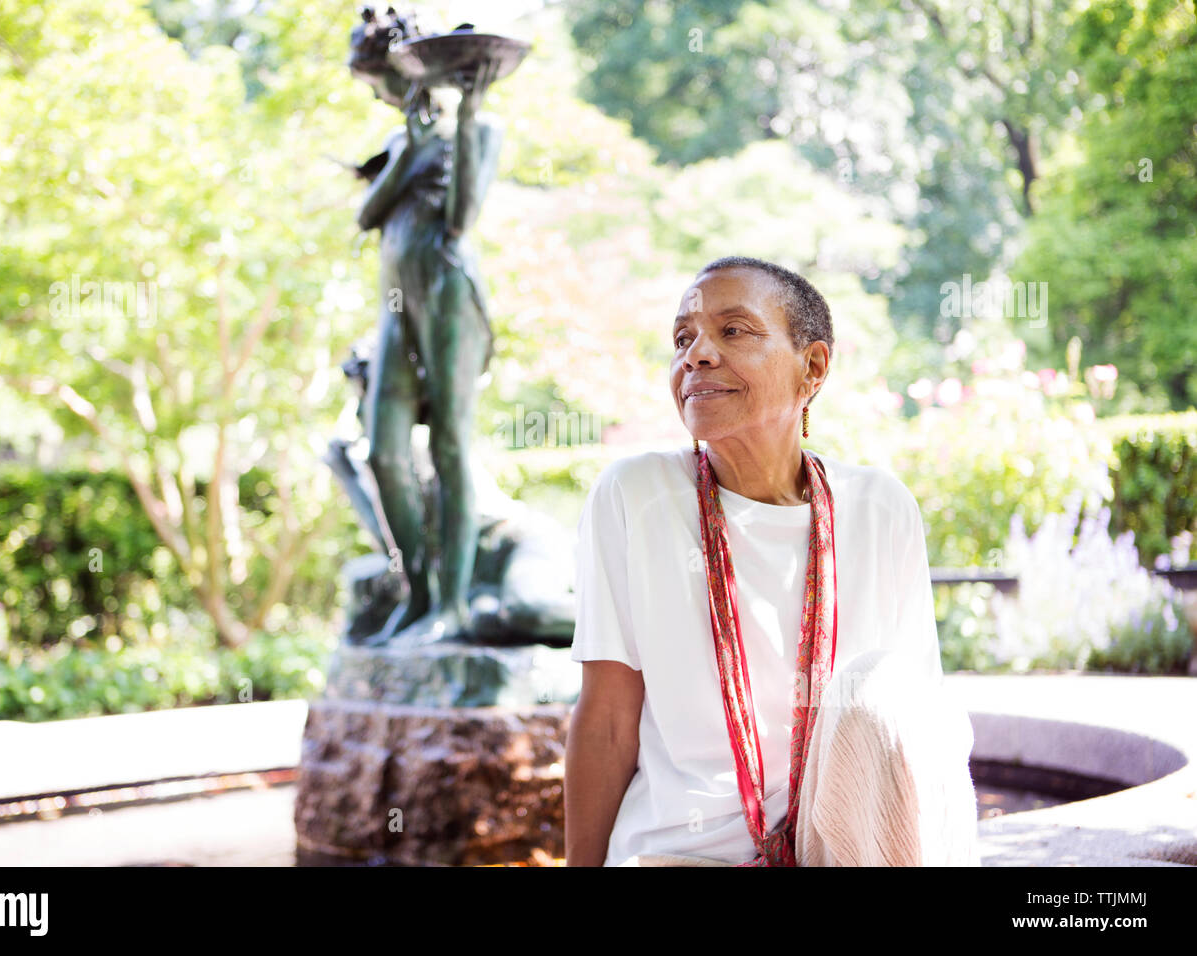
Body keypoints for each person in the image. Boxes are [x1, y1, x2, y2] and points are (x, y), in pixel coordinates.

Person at [564, 256, 979, 867]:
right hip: (682, 854)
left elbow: (909, 734)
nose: (696, 354)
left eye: (733, 330)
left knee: (878, 693)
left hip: (839, 844)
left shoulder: (880, 509)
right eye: (683, 338)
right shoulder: (636, 495)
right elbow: (606, 722)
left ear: (812, 367)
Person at [346, 7, 504, 647]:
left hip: (448, 293)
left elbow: (462, 216)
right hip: (396, 303)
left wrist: (464, 115)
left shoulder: (482, 128)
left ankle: (454, 605)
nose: (380, 92)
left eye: (380, 78)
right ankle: (415, 594)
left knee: (450, 446)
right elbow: (366, 216)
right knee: (382, 449)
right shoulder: (402, 140)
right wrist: (408, 147)